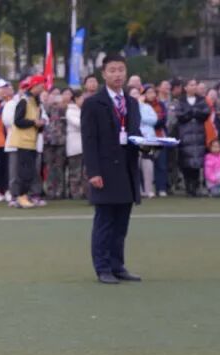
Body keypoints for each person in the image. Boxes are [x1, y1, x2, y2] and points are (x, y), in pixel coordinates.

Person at [81, 53, 143, 285]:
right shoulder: (93, 103)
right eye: (112, 70)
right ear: (103, 74)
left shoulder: (132, 103)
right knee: (105, 222)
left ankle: (118, 265)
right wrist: (93, 172)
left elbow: (135, 135)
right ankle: (103, 267)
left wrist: (149, 146)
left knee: (121, 223)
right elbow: (89, 140)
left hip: (127, 169)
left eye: (121, 70)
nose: (117, 74)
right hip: (105, 170)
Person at [8, 75, 46, 209]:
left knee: (29, 171)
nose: (42, 88)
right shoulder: (24, 101)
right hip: (23, 142)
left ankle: (23, 196)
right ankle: (21, 196)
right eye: (40, 85)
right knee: (24, 171)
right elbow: (18, 121)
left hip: (31, 141)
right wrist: (34, 122)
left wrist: (40, 125)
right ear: (33, 86)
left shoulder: (36, 102)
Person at [174, 79, 209, 196]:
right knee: (185, 163)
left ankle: (195, 187)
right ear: (186, 88)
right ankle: (188, 187)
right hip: (185, 136)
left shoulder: (201, 100)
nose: (194, 87)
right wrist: (192, 113)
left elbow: (205, 113)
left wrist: (192, 113)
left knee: (197, 163)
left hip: (199, 136)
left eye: (195, 85)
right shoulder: (181, 101)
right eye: (191, 85)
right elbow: (180, 116)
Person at [42, 87, 68, 199]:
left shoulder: (64, 107)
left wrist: (62, 105)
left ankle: (60, 191)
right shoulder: (45, 107)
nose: (56, 96)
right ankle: (50, 191)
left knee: (59, 167)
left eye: (58, 94)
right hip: (48, 141)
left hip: (60, 141)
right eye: (53, 94)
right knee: (49, 167)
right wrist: (49, 103)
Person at [137, 85, 159, 198]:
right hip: (134, 139)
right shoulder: (128, 107)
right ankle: (138, 190)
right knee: (135, 164)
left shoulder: (147, 107)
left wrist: (140, 111)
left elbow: (154, 120)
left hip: (148, 138)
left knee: (148, 163)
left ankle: (148, 190)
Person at [65, 89, 86, 200]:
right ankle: (75, 193)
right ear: (76, 99)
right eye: (82, 98)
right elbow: (79, 124)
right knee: (75, 171)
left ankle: (85, 192)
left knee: (85, 172)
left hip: (84, 144)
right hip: (74, 144)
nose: (84, 100)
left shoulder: (83, 110)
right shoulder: (70, 111)